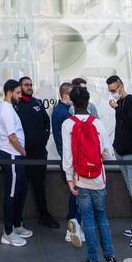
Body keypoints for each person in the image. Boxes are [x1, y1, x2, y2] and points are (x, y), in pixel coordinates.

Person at [62, 84, 121, 262]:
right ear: (88, 102)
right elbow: (107, 152)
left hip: (80, 179)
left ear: (72, 102)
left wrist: (69, 179)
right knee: (102, 218)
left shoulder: (68, 124)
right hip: (98, 179)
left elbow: (68, 155)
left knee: (87, 219)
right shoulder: (97, 123)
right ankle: (111, 260)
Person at [107, 74, 132, 247]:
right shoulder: (121, 104)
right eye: (111, 91)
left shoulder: (131, 101)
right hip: (121, 151)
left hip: (131, 152)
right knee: (131, 189)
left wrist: (117, 109)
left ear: (121, 86)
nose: (113, 93)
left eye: (115, 90)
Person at [15, 75, 57, 230]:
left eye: (31, 84)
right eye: (26, 84)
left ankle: (44, 215)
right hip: (23, 154)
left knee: (40, 186)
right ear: (20, 87)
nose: (29, 87)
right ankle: (17, 219)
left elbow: (47, 122)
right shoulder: (16, 105)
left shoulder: (37, 102)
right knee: (21, 187)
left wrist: (44, 139)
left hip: (39, 153)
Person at [0, 78, 29, 246]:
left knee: (19, 190)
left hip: (14, 155)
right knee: (11, 193)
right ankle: (8, 232)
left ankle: (15, 225)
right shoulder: (6, 110)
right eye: (17, 92)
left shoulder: (9, 108)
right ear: (9, 92)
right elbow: (12, 137)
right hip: (12, 156)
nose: (20, 95)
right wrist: (23, 152)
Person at [50, 82, 83, 247]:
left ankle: (74, 226)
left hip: (67, 158)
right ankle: (73, 227)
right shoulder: (63, 114)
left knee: (75, 193)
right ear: (65, 95)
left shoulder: (61, 111)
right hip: (69, 159)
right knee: (75, 193)